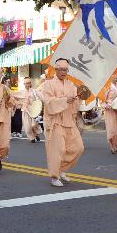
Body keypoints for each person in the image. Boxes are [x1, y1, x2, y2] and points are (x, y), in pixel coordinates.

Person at [40, 58, 85, 187]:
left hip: (69, 120)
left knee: (78, 147)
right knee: (57, 149)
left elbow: (75, 103)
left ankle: (61, 169)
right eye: (61, 69)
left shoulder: (71, 84)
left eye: (66, 70)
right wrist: (65, 100)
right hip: (55, 121)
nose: (64, 72)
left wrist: (79, 98)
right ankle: (55, 176)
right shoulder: (48, 84)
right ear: (56, 70)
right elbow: (48, 102)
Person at [103, 76, 117, 154]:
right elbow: (102, 101)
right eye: (114, 75)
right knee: (112, 131)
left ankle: (116, 143)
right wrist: (107, 106)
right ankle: (113, 147)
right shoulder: (106, 87)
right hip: (110, 111)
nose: (115, 77)